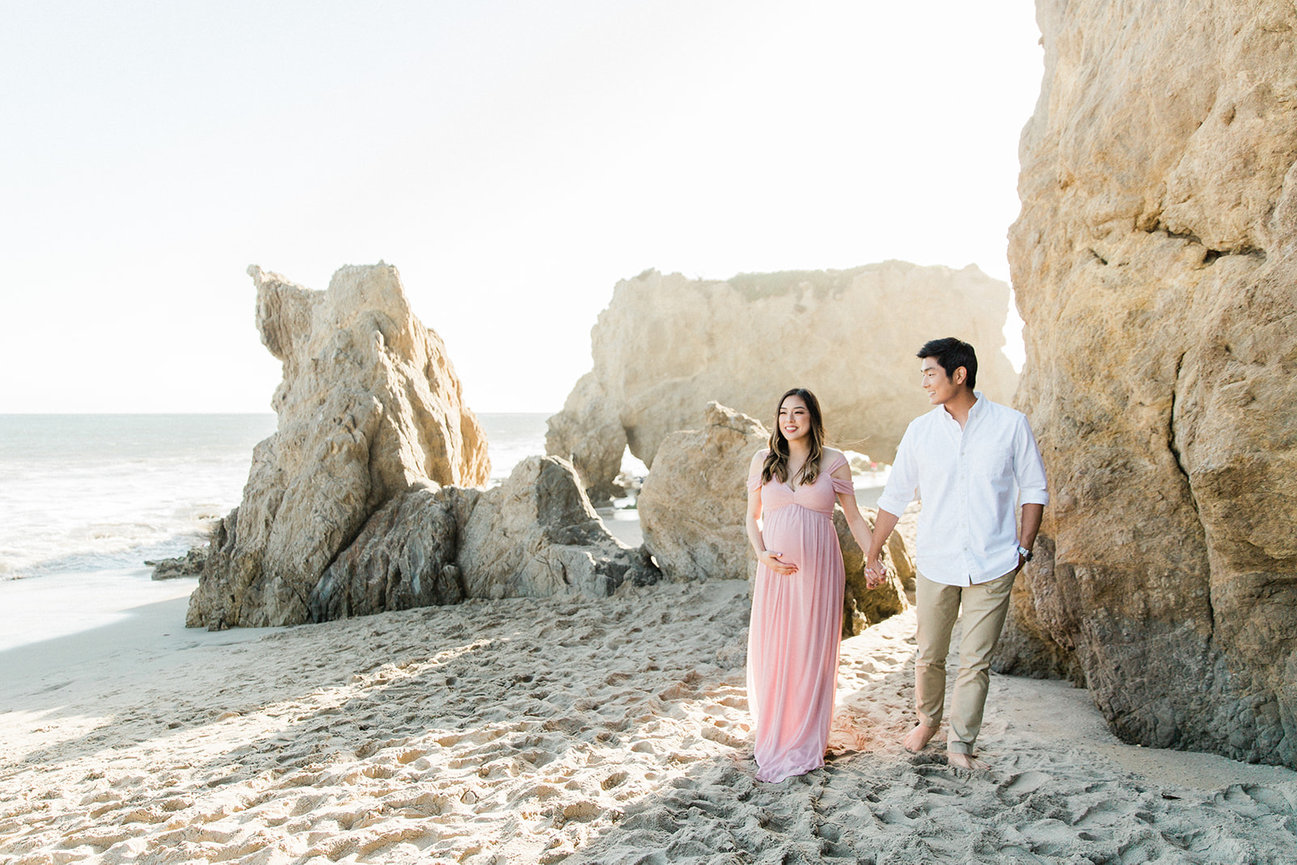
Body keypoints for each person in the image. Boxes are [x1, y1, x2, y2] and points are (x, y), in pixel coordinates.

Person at [864, 337, 1048, 770]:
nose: (925, 383)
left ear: (958, 375)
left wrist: (1023, 547)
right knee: (929, 654)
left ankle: (960, 744)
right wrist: (873, 554)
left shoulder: (1010, 425)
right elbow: (895, 496)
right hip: (937, 560)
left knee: (976, 661)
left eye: (931, 373)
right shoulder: (920, 431)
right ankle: (927, 722)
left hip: (995, 561)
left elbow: (1034, 488)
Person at [745, 387, 878, 783]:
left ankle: (805, 735)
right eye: (783, 412)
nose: (789, 420)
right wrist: (761, 554)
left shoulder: (834, 462)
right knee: (776, 648)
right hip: (775, 571)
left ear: (812, 418)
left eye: (798, 412)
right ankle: (776, 729)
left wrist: (874, 556)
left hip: (820, 569)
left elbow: (853, 518)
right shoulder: (763, 460)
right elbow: (752, 518)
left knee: (810, 649)